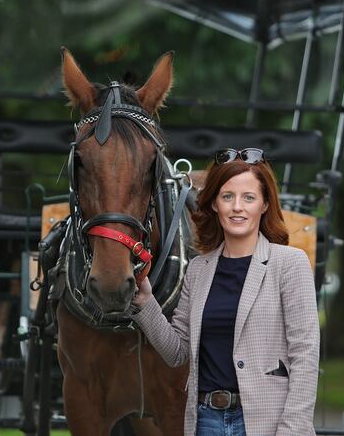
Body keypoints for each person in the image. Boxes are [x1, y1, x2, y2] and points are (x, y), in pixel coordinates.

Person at [132, 148, 320, 436]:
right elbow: (178, 352)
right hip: (206, 421)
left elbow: (305, 355)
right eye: (227, 196)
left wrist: (293, 429)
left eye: (249, 198)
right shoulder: (199, 269)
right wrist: (145, 301)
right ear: (214, 204)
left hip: (268, 423)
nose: (237, 207)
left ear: (264, 204)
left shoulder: (289, 264)